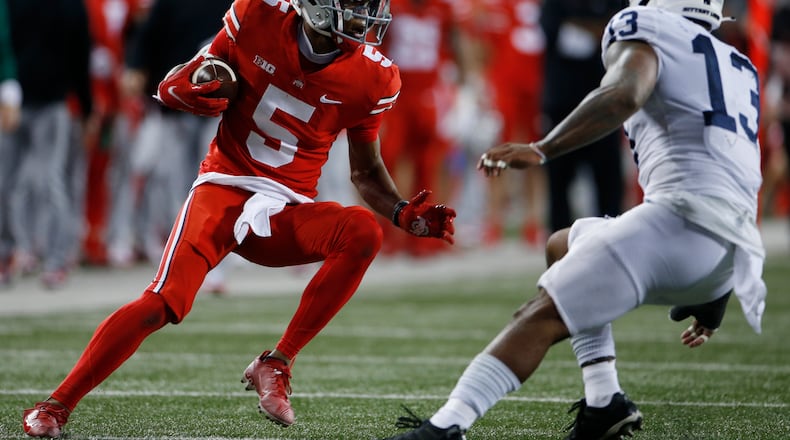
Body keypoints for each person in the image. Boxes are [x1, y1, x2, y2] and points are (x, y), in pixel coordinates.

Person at [21, 0, 456, 437]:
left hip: (286, 211)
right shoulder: (256, 14)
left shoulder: (374, 76)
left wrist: (402, 214)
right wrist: (187, 90)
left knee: (362, 230)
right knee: (161, 303)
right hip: (223, 188)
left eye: (368, 6)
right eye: (354, 5)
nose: (364, 16)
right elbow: (177, 81)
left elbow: (364, 171)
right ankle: (55, 405)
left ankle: (277, 362)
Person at [379, 0, 766, 439]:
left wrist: (543, 147)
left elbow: (623, 93)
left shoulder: (647, 25)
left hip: (679, 226)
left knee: (540, 313)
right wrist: (713, 299)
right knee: (563, 245)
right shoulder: (736, 63)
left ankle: (445, 427)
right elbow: (731, 173)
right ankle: (605, 402)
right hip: (730, 256)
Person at [540, 0, 626, 234]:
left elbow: (621, 35)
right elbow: (560, 36)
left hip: (604, 104)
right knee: (559, 183)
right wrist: (597, 28)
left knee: (608, 183)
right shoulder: (554, 4)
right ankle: (560, 247)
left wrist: (583, 25)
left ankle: (612, 239)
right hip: (563, 104)